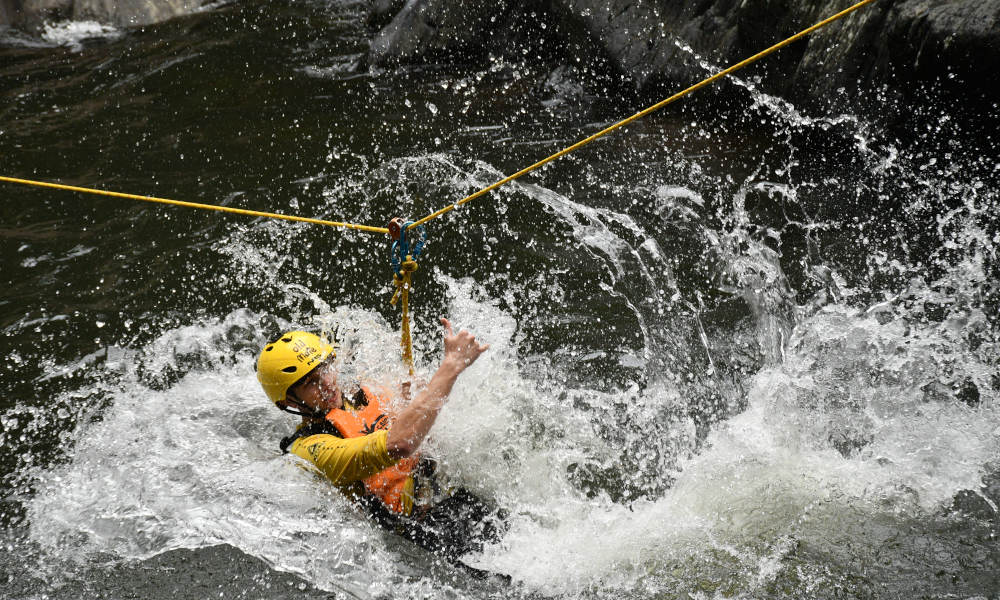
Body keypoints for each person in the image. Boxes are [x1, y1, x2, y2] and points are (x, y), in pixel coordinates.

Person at [256, 317, 504, 560]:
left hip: (448, 499)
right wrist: (451, 365)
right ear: (289, 402)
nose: (328, 384)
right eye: (311, 383)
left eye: (325, 369)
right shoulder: (310, 449)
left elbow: (427, 429)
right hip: (418, 538)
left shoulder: (363, 394)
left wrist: (411, 401)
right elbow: (400, 444)